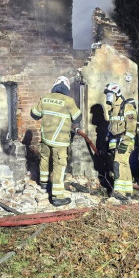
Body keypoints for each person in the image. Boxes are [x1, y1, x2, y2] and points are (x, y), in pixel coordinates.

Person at [30, 76, 81, 207]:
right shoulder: (68, 101)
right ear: (67, 88)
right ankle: (57, 196)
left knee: (45, 159)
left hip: (46, 138)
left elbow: (34, 114)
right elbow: (77, 118)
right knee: (59, 166)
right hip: (60, 141)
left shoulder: (45, 98)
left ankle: (43, 183)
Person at [103, 83, 137, 201]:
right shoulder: (113, 109)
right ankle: (128, 191)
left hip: (126, 141)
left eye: (110, 94)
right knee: (124, 164)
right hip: (117, 141)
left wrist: (125, 142)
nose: (108, 97)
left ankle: (119, 192)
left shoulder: (126, 107)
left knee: (118, 163)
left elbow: (132, 127)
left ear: (116, 94)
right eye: (107, 95)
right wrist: (110, 144)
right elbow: (112, 129)